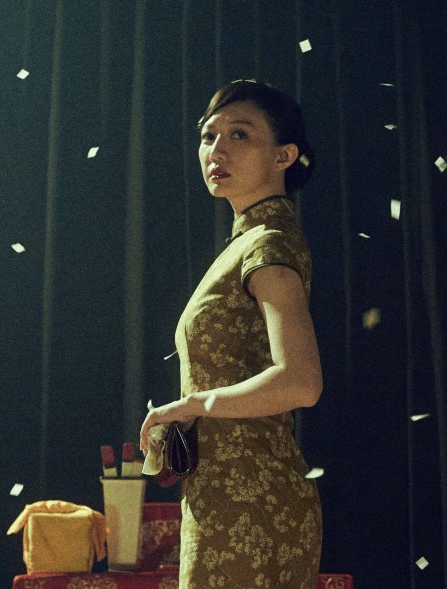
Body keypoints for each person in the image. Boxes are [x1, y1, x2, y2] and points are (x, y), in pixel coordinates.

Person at [139, 80, 323, 588]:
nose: (217, 150)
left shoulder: (269, 242)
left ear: (284, 155)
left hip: (254, 503)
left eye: (239, 135)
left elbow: (301, 381)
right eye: (208, 136)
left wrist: (193, 404)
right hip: (225, 495)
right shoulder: (246, 244)